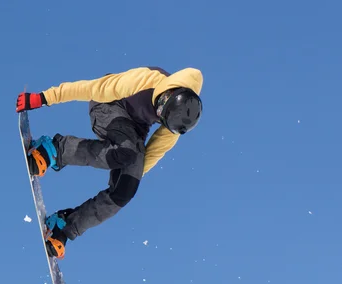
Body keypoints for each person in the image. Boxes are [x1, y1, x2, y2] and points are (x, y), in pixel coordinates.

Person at [15, 66, 203, 260]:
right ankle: (54, 149)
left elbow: (152, 153)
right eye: (161, 105)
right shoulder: (147, 80)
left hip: (133, 134)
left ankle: (63, 227)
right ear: (169, 92)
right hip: (108, 105)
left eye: (161, 114)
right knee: (126, 152)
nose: (158, 110)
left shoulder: (172, 127)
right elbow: (92, 88)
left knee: (126, 190)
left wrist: (128, 175)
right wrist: (44, 98)